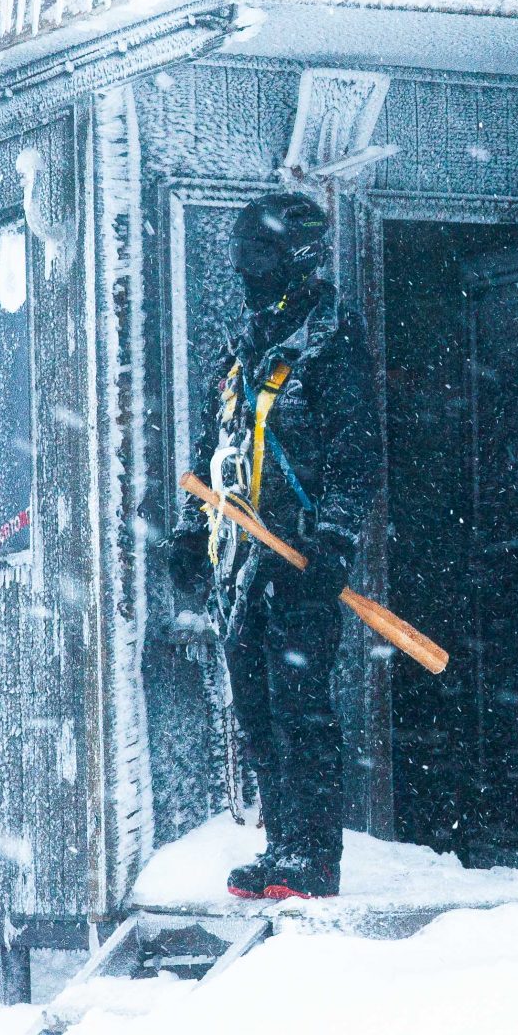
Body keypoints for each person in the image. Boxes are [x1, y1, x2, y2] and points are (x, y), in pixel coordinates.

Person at [166, 190, 376, 900]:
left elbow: (355, 452)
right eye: (242, 258)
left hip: (298, 561)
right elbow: (214, 445)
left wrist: (336, 538)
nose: (245, 273)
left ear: (295, 258)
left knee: (300, 705)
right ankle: (280, 843)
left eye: (257, 258)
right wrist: (192, 534)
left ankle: (313, 857)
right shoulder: (241, 349)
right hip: (241, 562)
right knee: (255, 707)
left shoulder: (333, 341)